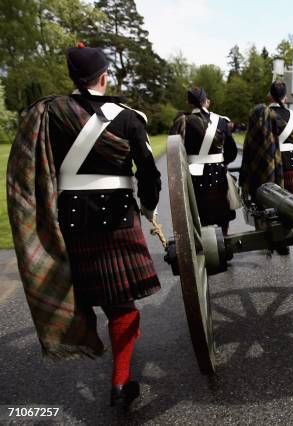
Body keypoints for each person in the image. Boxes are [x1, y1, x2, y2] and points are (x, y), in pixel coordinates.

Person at [6, 43, 162, 407]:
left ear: (74, 78)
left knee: (88, 292)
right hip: (119, 221)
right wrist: (149, 207)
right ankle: (120, 384)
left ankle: (86, 336)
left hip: (71, 220)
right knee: (122, 304)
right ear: (104, 76)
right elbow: (149, 175)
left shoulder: (50, 114)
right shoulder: (129, 118)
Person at [169, 87, 238, 235]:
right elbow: (232, 152)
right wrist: (221, 162)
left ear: (189, 102)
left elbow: (174, 153)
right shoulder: (221, 121)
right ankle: (224, 239)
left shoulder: (182, 121)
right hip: (218, 174)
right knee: (222, 214)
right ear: (206, 102)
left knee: (197, 213)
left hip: (193, 175)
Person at [240, 80, 293, 202]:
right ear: (285, 98)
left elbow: (252, 146)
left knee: (268, 211)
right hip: (291, 165)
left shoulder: (260, 115)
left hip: (266, 167)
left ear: (269, 96)